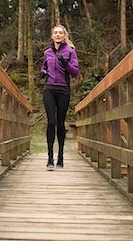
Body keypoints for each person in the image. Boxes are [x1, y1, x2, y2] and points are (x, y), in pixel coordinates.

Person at [40, 24, 79, 170]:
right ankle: (50, 158)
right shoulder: (47, 53)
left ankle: (60, 157)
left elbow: (75, 72)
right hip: (49, 88)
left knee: (60, 123)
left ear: (64, 36)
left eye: (60, 33)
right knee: (51, 122)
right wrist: (43, 72)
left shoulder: (70, 51)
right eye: (55, 33)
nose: (57, 35)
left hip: (63, 90)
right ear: (52, 36)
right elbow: (44, 66)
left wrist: (65, 62)